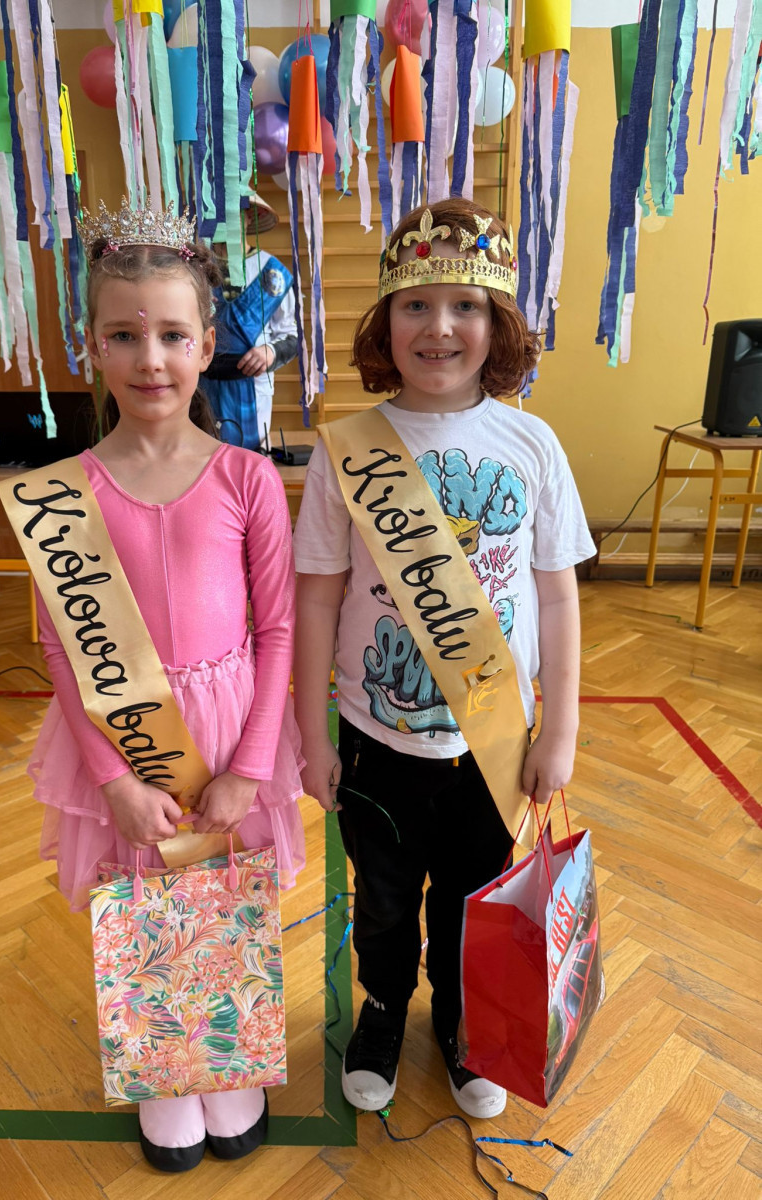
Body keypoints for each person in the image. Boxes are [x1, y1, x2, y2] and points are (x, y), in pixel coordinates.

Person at [16, 201, 305, 1172]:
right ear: (91, 345)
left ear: (207, 345)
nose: (152, 359)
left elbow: (278, 628)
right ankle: (163, 1074)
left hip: (231, 729)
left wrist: (251, 766)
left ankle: (225, 1061)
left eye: (174, 335)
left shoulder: (247, 478)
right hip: (122, 733)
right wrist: (112, 779)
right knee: (141, 898)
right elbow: (62, 650)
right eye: (125, 335)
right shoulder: (63, 493)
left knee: (224, 898)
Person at [292, 197, 595, 1120]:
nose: (439, 327)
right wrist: (313, 736)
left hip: (494, 743)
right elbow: (317, 598)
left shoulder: (532, 443)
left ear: (497, 325)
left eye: (466, 305)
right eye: (415, 305)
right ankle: (385, 1010)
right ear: (385, 322)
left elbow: (557, 596)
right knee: (383, 902)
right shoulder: (346, 449)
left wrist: (561, 730)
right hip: (376, 737)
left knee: (473, 899)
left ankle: (464, 1024)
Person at [203, 192, 298, 451]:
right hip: (201, 384)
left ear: (248, 218)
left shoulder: (272, 271)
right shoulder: (194, 269)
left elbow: (292, 336)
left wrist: (271, 352)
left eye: (234, 214)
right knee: (204, 457)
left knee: (250, 458)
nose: (226, 221)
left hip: (253, 385)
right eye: (219, 214)